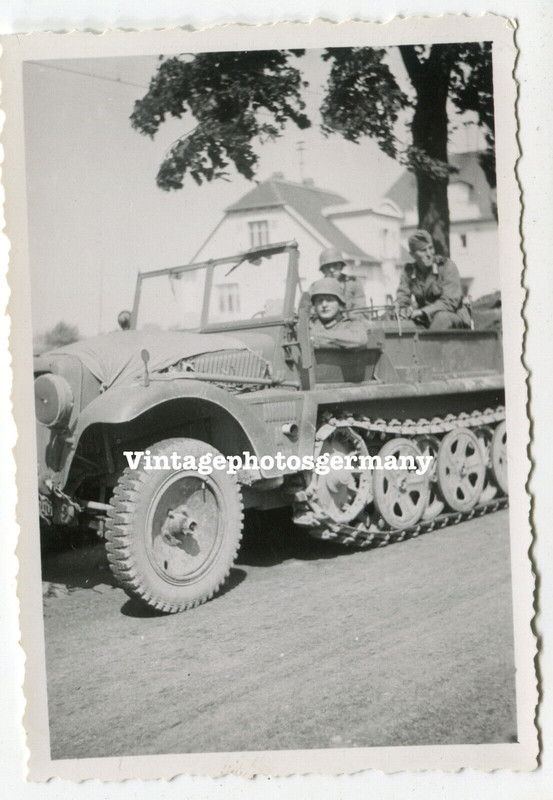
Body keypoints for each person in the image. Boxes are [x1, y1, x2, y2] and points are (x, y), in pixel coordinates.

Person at [396, 230, 471, 331]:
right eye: (423, 250)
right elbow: (402, 298)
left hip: (454, 317)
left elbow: (450, 301)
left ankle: (427, 346)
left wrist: (422, 312)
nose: (429, 254)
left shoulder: (446, 266)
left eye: (431, 248)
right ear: (412, 254)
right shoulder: (409, 271)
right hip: (427, 320)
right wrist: (401, 310)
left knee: (441, 318)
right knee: (395, 321)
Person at [310, 278, 368, 349]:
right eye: (320, 300)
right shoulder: (309, 324)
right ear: (314, 305)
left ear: (339, 303)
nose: (324, 305)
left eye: (329, 300)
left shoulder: (351, 322)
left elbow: (360, 339)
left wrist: (319, 336)